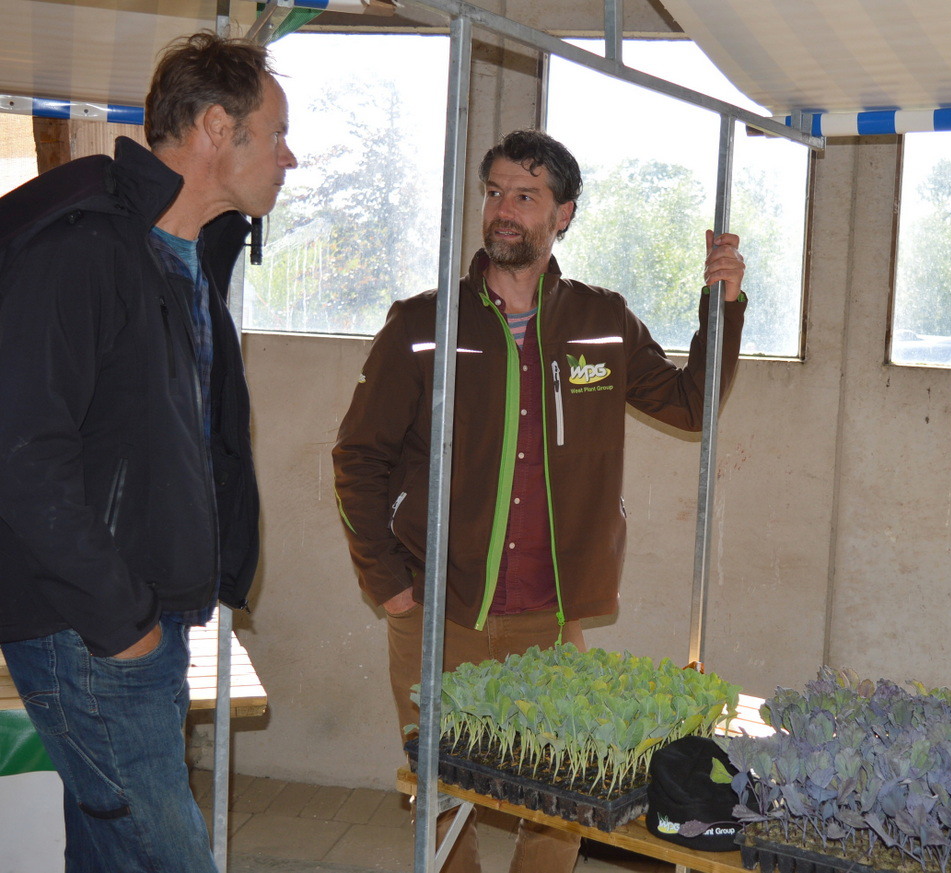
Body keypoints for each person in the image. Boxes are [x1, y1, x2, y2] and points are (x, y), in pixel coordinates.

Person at [332, 128, 747, 873]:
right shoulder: (424, 325)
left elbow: (692, 403)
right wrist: (389, 584)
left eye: (526, 195)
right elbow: (357, 457)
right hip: (439, 613)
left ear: (564, 215)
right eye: (494, 192)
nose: (504, 209)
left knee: (561, 807)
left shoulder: (602, 323)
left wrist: (724, 305)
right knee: (440, 795)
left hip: (551, 620)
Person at [0, 32, 295, 873]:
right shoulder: (83, 250)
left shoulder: (183, 255)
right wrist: (122, 619)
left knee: (110, 852)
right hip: (90, 628)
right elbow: (22, 455)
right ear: (216, 128)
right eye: (275, 133)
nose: (289, 157)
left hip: (140, 617)